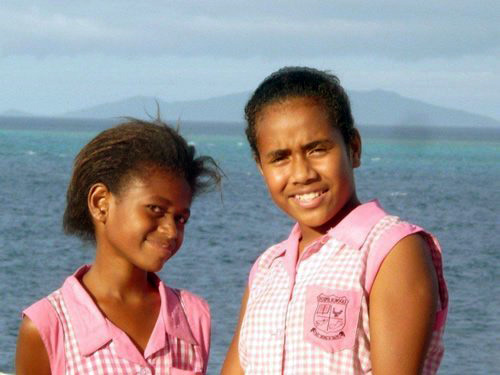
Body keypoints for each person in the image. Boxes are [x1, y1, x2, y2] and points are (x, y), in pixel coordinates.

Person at [222, 67, 448, 375]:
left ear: (353, 148)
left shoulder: (389, 250)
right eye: (280, 158)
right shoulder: (267, 269)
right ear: (261, 167)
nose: (302, 173)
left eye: (317, 149)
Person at [16, 119, 221, 374]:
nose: (171, 230)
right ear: (101, 202)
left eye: (181, 218)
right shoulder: (48, 326)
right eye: (155, 209)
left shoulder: (192, 315)